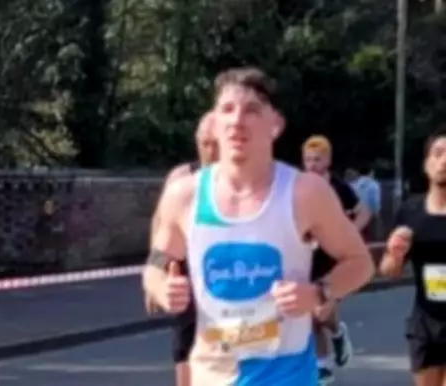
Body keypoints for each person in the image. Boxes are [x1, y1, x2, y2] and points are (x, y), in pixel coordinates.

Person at [143, 67, 374, 386]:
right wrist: (161, 287)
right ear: (215, 122)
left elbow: (360, 263)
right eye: (227, 109)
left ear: (275, 124)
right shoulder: (184, 194)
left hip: (286, 373)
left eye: (251, 110)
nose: (237, 120)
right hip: (214, 374)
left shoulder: (305, 192)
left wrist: (318, 292)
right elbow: (156, 262)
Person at [145, 111, 217, 386]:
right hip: (185, 268)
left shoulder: (240, 181)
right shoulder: (181, 179)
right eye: (204, 143)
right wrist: (155, 277)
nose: (210, 151)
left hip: (223, 272)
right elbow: (160, 222)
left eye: (215, 144)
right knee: (183, 342)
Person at [380, 125, 446, 386]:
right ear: (426, 165)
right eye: (437, 154)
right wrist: (394, 254)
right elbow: (389, 270)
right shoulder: (410, 212)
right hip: (425, 325)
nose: (444, 161)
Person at [302, 135, 371, 384]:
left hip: (333, 260)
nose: (312, 165)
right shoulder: (299, 186)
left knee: (321, 311)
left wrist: (350, 232)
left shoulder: (338, 187)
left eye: (317, 159)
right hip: (307, 257)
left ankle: (337, 332)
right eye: (308, 160)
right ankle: (322, 365)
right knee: (311, 315)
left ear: (328, 161)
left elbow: (364, 211)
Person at [346, 165, 383, 241]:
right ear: (371, 173)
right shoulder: (373, 184)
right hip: (368, 215)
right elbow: (374, 203)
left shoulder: (353, 184)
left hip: (353, 213)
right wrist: (377, 217)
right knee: (367, 238)